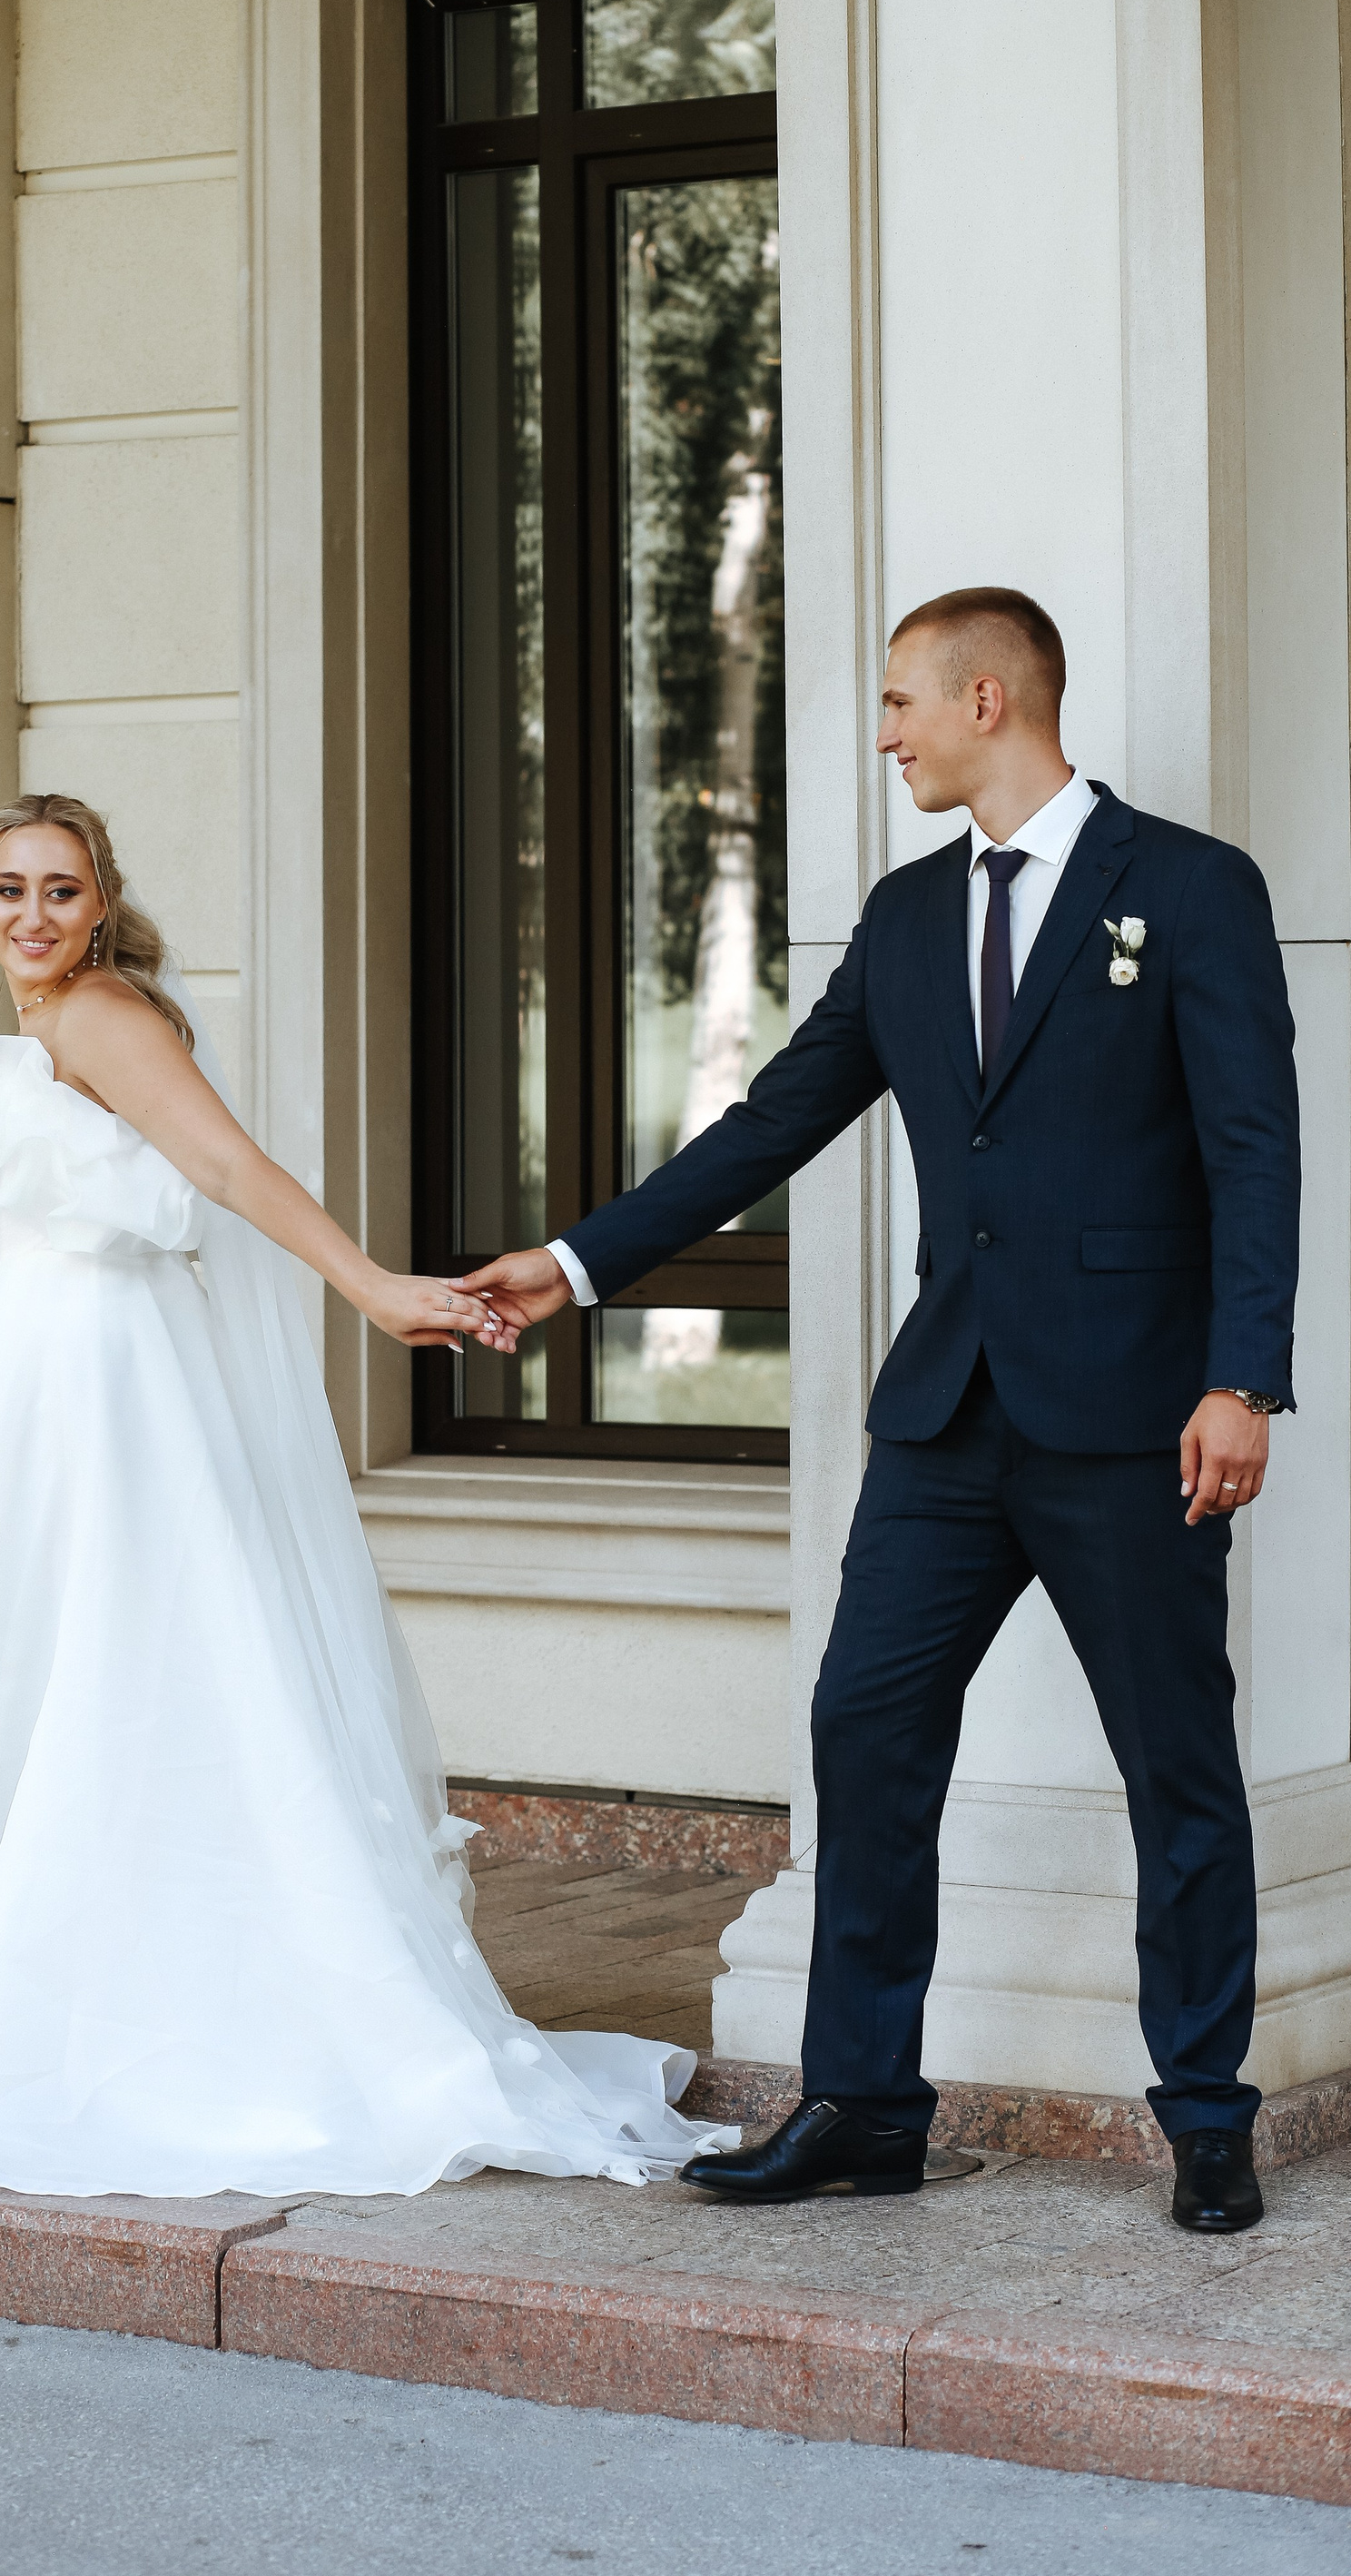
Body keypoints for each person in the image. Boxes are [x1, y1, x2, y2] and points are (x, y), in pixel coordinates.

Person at [0, 795, 731, 2198]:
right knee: (8, 1679)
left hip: (110, 1382)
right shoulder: (29, 1032)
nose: (34, 915)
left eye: (61, 888)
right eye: (9, 889)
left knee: (129, 1668)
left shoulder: (104, 1015)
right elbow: (38, 1232)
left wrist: (371, 1288)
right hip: (23, 1375)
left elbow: (223, 1169)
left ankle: (140, 2017)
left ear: (101, 901)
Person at [456, 587, 1301, 2236]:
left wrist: (1241, 1376)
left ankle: (1208, 2116)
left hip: (1136, 1416)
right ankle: (862, 2107)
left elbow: (1254, 1149)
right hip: (945, 1417)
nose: (886, 734)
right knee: (865, 1730)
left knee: (1177, 1768)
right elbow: (769, 1124)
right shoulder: (908, 919)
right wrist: (574, 1264)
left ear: (989, 700)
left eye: (903, 702)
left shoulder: (1191, 888)